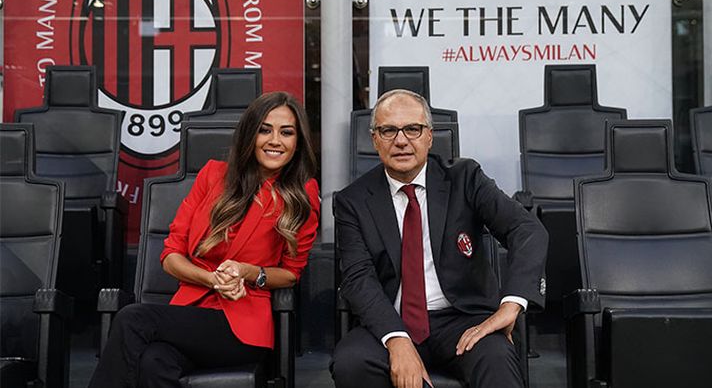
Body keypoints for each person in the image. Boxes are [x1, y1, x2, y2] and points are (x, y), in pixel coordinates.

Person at [89, 91, 320, 388]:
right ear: (250, 135)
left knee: (132, 319)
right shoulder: (213, 175)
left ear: (298, 142)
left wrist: (247, 272)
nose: (275, 140)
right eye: (265, 130)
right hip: (190, 311)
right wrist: (212, 280)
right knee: (154, 362)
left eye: (286, 132)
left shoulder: (303, 192)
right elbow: (171, 256)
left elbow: (290, 274)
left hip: (241, 325)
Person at [331, 89, 548, 388]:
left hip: (463, 318)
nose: (401, 140)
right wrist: (397, 339)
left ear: (429, 137)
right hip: (392, 319)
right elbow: (358, 279)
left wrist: (510, 306)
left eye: (413, 129)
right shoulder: (352, 201)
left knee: (496, 357)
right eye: (388, 130)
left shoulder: (465, 178)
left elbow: (527, 230)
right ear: (374, 139)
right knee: (351, 363)